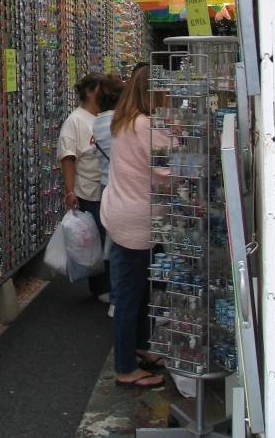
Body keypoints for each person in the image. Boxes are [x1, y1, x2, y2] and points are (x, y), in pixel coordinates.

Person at [100, 66, 170, 388]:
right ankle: (126, 367)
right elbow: (166, 169)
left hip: (121, 213)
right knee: (129, 297)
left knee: (136, 291)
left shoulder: (122, 122)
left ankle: (140, 346)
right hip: (137, 220)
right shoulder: (144, 124)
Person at [57, 73, 109, 301]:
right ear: (89, 91)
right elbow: (68, 158)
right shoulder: (75, 121)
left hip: (107, 188)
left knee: (107, 238)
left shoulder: (104, 117)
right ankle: (100, 287)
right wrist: (70, 191)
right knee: (95, 239)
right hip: (88, 190)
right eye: (101, 87)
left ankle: (108, 284)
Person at [92, 73, 126, 317]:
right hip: (124, 186)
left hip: (105, 187)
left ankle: (115, 298)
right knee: (127, 247)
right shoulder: (122, 121)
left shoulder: (97, 122)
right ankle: (122, 298)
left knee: (113, 245)